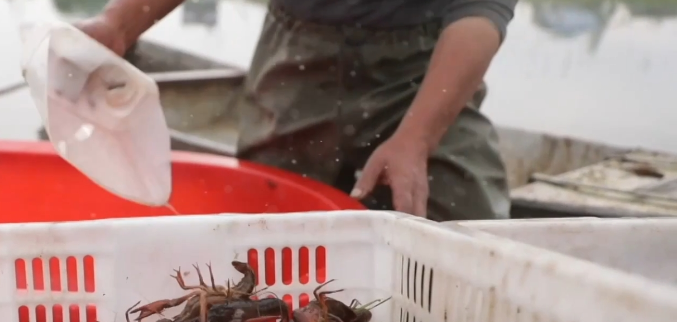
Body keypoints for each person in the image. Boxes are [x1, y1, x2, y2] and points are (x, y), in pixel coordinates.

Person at [75, 0, 517, 220]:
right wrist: (118, 25)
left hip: (425, 70)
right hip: (296, 56)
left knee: (466, 218)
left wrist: (416, 139)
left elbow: (480, 13)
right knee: (266, 223)